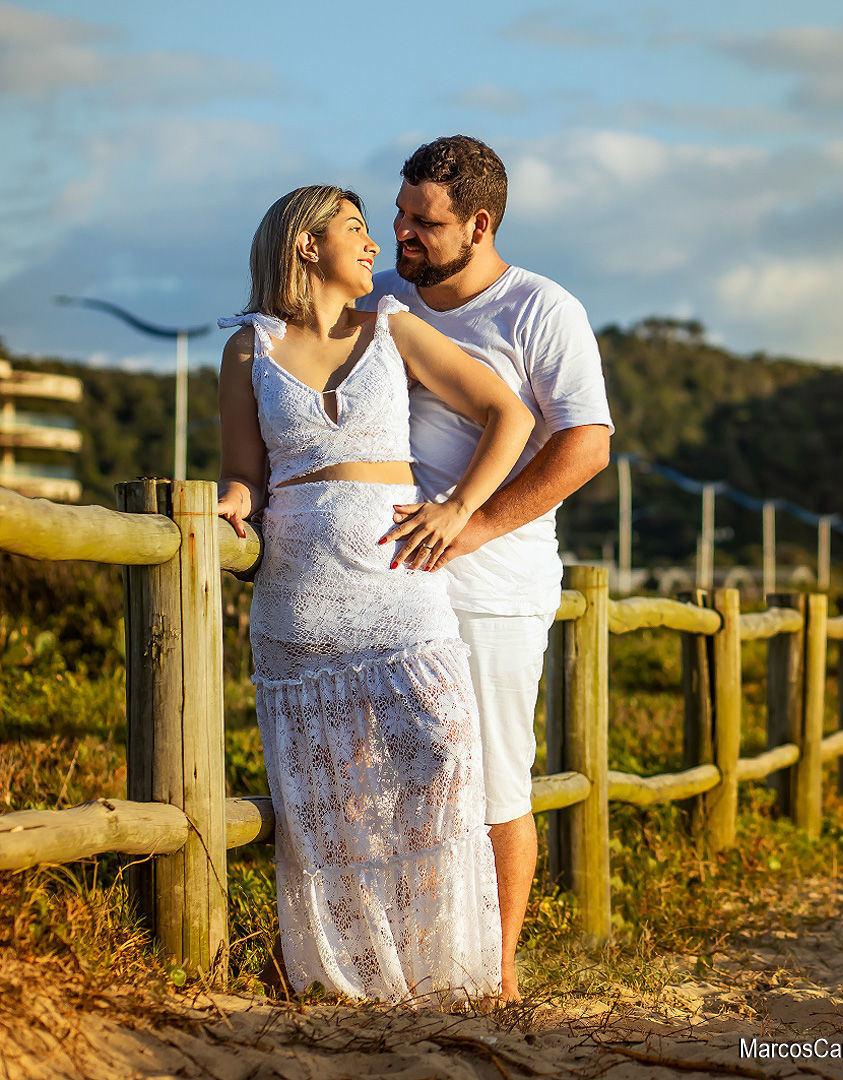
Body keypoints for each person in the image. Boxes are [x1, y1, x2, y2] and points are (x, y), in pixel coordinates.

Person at [215, 184, 535, 1004]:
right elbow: (245, 476)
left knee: (443, 754)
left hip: (402, 593)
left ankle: (442, 971)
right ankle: (346, 982)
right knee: (329, 803)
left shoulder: (393, 327)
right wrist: (232, 509)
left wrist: (461, 508)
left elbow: (508, 414)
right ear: (305, 245)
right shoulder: (248, 349)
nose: (376, 243)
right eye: (355, 229)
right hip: (300, 603)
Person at [362, 136, 612, 1002]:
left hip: (493, 586)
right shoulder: (385, 297)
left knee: (495, 777)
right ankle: (405, 963)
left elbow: (588, 445)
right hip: (388, 582)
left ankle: (496, 977)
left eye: (425, 223)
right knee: (393, 775)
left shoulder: (542, 311)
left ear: (480, 222)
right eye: (399, 215)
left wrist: (476, 523)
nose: (403, 235)